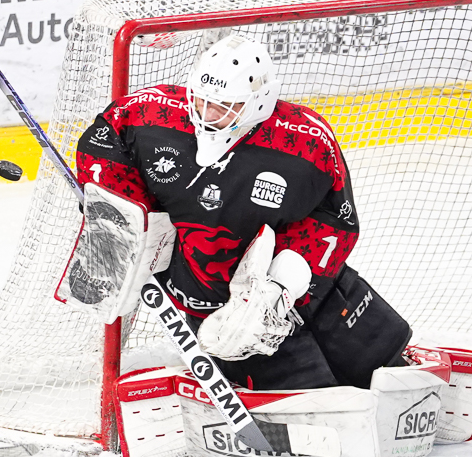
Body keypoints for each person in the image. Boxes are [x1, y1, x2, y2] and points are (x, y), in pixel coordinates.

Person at [75, 34, 410, 391]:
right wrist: (125, 215)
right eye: (201, 100)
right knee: (307, 396)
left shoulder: (305, 143)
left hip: (300, 295)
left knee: (386, 365)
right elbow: (105, 136)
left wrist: (280, 286)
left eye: (224, 105)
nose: (207, 114)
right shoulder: (153, 115)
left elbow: (336, 218)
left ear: (259, 102)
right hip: (214, 314)